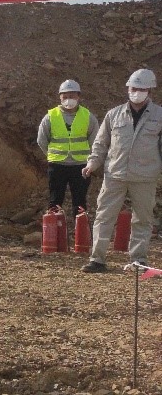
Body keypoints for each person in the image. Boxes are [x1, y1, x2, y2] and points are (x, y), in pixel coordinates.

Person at [81, 68, 162, 272]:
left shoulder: (159, 116)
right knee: (104, 216)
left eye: (141, 89)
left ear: (149, 90)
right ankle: (97, 259)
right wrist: (92, 164)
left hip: (145, 177)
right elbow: (100, 144)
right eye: (134, 88)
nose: (137, 92)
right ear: (127, 88)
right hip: (114, 175)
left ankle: (138, 260)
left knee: (142, 219)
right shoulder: (114, 115)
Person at [37, 79, 99, 219]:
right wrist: (52, 155)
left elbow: (95, 141)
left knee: (80, 203)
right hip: (57, 165)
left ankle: (81, 237)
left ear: (78, 96)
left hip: (81, 166)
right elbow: (42, 140)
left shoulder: (88, 117)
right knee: (54, 202)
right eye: (65, 96)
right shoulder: (51, 116)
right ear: (60, 97)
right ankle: (53, 236)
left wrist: (89, 158)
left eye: (72, 96)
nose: (68, 99)